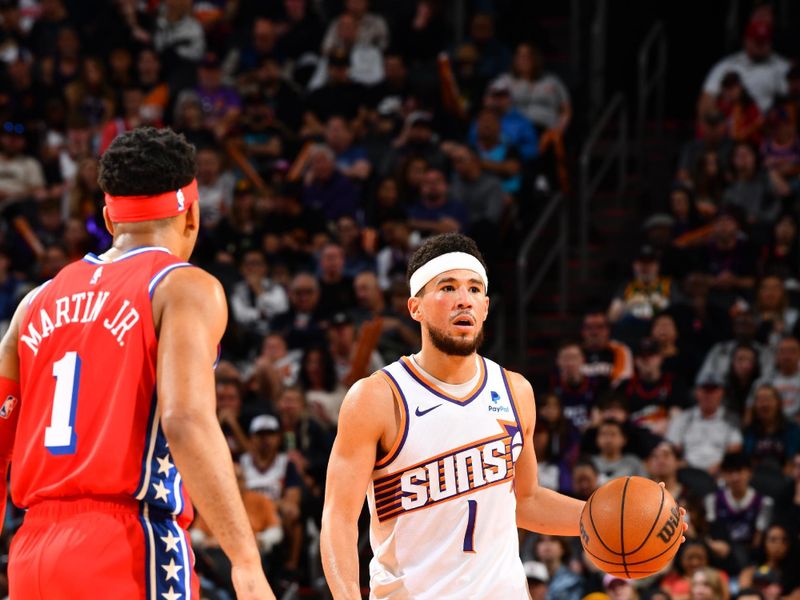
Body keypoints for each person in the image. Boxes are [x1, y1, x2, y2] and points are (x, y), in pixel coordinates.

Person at [0, 128, 273, 598]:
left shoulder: (33, 304)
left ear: (109, 217)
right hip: (127, 542)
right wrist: (245, 560)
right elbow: (184, 421)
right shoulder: (183, 286)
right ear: (192, 214)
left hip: (32, 555)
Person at [320, 233, 591, 598]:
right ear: (414, 308)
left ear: (486, 306)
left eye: (475, 289)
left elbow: (525, 501)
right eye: (447, 288)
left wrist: (604, 517)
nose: (464, 300)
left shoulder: (516, 391)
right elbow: (338, 519)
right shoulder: (377, 397)